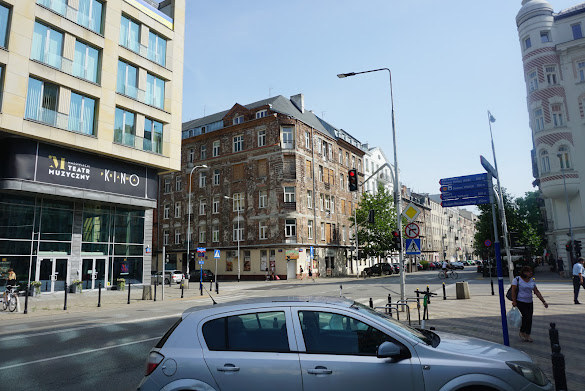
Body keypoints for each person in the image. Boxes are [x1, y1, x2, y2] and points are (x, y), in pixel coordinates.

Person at [511, 266, 548, 342]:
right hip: (520, 301)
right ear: (524, 272)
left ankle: (527, 334)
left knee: (529, 318)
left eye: (531, 271)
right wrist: (514, 301)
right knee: (526, 316)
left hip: (529, 301)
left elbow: (536, 291)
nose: (531, 273)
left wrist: (543, 301)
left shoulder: (531, 280)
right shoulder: (517, 280)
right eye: (529, 271)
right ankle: (522, 332)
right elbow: (513, 291)